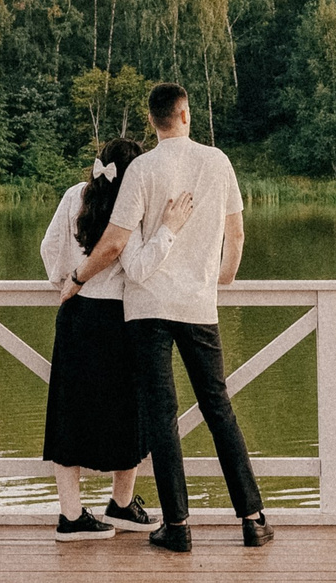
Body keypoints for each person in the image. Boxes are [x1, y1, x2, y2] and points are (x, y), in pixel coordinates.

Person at [93, 81, 271, 553]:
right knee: (218, 408)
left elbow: (117, 238)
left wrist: (76, 276)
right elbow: (236, 234)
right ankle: (252, 519)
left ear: (152, 120)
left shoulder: (142, 169)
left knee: (162, 415)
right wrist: (222, 277)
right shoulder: (217, 161)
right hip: (197, 304)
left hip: (147, 307)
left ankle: (177, 526)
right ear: (186, 114)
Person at [39, 138, 156, 539]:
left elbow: (50, 247)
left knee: (69, 411)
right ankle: (121, 504)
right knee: (131, 410)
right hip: (122, 316)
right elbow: (137, 263)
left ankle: (71, 515)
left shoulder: (74, 194)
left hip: (76, 312)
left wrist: (66, 278)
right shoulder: (135, 203)